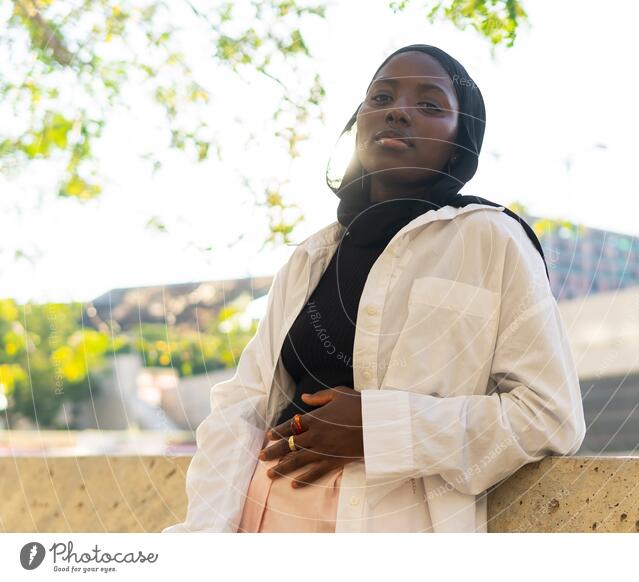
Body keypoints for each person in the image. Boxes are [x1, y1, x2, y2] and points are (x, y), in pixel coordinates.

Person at [162, 43, 586, 534]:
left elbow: (548, 416)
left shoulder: (492, 240)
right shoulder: (312, 256)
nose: (398, 112)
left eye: (430, 104)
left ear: (461, 138)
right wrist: (203, 540)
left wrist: (377, 430)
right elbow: (242, 407)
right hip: (261, 517)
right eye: (380, 98)